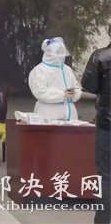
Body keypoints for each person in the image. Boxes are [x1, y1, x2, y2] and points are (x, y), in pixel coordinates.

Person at [81, 36, 111, 224]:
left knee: (106, 176)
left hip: (107, 125)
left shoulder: (101, 56)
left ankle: (103, 220)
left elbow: (89, 86)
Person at [28, 37, 82, 120]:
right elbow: (41, 93)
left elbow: (76, 89)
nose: (61, 54)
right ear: (49, 52)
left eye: (62, 51)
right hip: (48, 113)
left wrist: (72, 94)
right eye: (58, 51)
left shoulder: (67, 69)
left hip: (70, 114)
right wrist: (63, 94)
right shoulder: (39, 70)